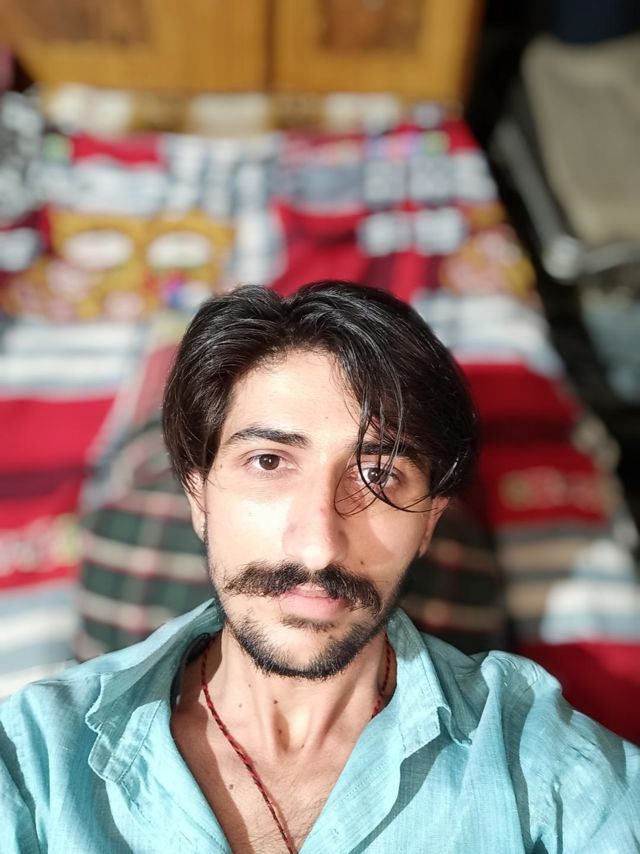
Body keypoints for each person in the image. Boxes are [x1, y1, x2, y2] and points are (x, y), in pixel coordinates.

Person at [1, 281, 638, 854]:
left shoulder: (547, 773)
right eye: (269, 462)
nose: (318, 548)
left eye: (378, 475)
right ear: (199, 495)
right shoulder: (32, 764)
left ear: (429, 521)